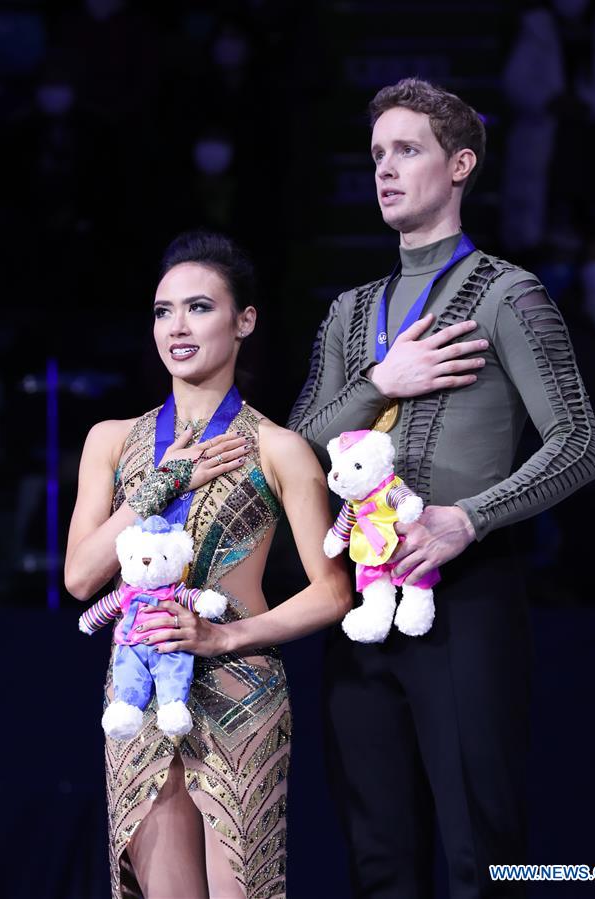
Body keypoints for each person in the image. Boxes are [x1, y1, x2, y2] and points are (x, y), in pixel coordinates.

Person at [289, 78, 595, 898]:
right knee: (379, 858)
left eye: (407, 150)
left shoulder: (508, 293)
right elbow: (294, 449)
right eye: (375, 156)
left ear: (460, 163)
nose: (384, 170)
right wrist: (379, 380)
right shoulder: (349, 312)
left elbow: (579, 444)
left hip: (465, 601)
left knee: (482, 855)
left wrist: (470, 517)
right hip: (362, 606)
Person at [64, 230, 352, 899]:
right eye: (164, 311)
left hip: (239, 691)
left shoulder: (278, 448)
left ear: (243, 319)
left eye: (199, 307)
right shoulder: (109, 441)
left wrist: (224, 635)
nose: (177, 326)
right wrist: (162, 484)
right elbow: (80, 578)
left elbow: (333, 591)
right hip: (136, 695)